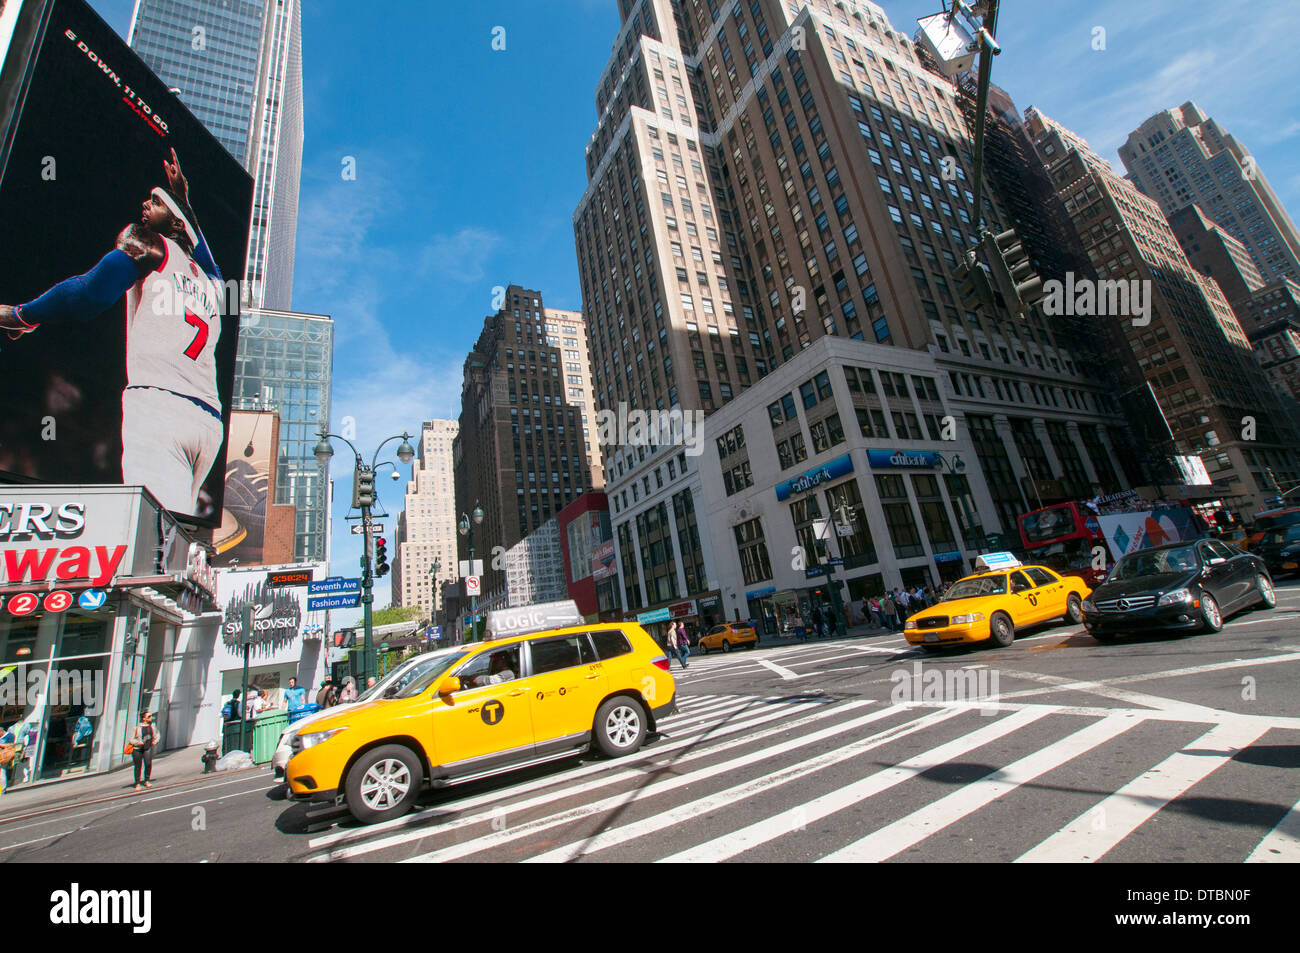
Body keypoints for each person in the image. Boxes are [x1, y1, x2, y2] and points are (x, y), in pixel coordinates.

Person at [0, 149, 226, 515]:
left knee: (149, 538)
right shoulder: (216, 288)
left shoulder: (148, 243)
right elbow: (208, 257)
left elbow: (90, 294)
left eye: (156, 202)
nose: (145, 204)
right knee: (174, 537)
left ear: (175, 223)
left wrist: (24, 315)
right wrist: (184, 201)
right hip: (208, 423)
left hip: (160, 407)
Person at [128, 711, 157, 790]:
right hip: (137, 749)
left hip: (147, 748)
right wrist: (138, 742)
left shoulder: (152, 727)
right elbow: (131, 740)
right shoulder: (137, 728)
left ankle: (146, 780)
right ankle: (137, 783)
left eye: (151, 716)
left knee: (148, 763)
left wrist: (155, 741)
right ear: (144, 718)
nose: (151, 718)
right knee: (138, 766)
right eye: (149, 716)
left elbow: (156, 735)